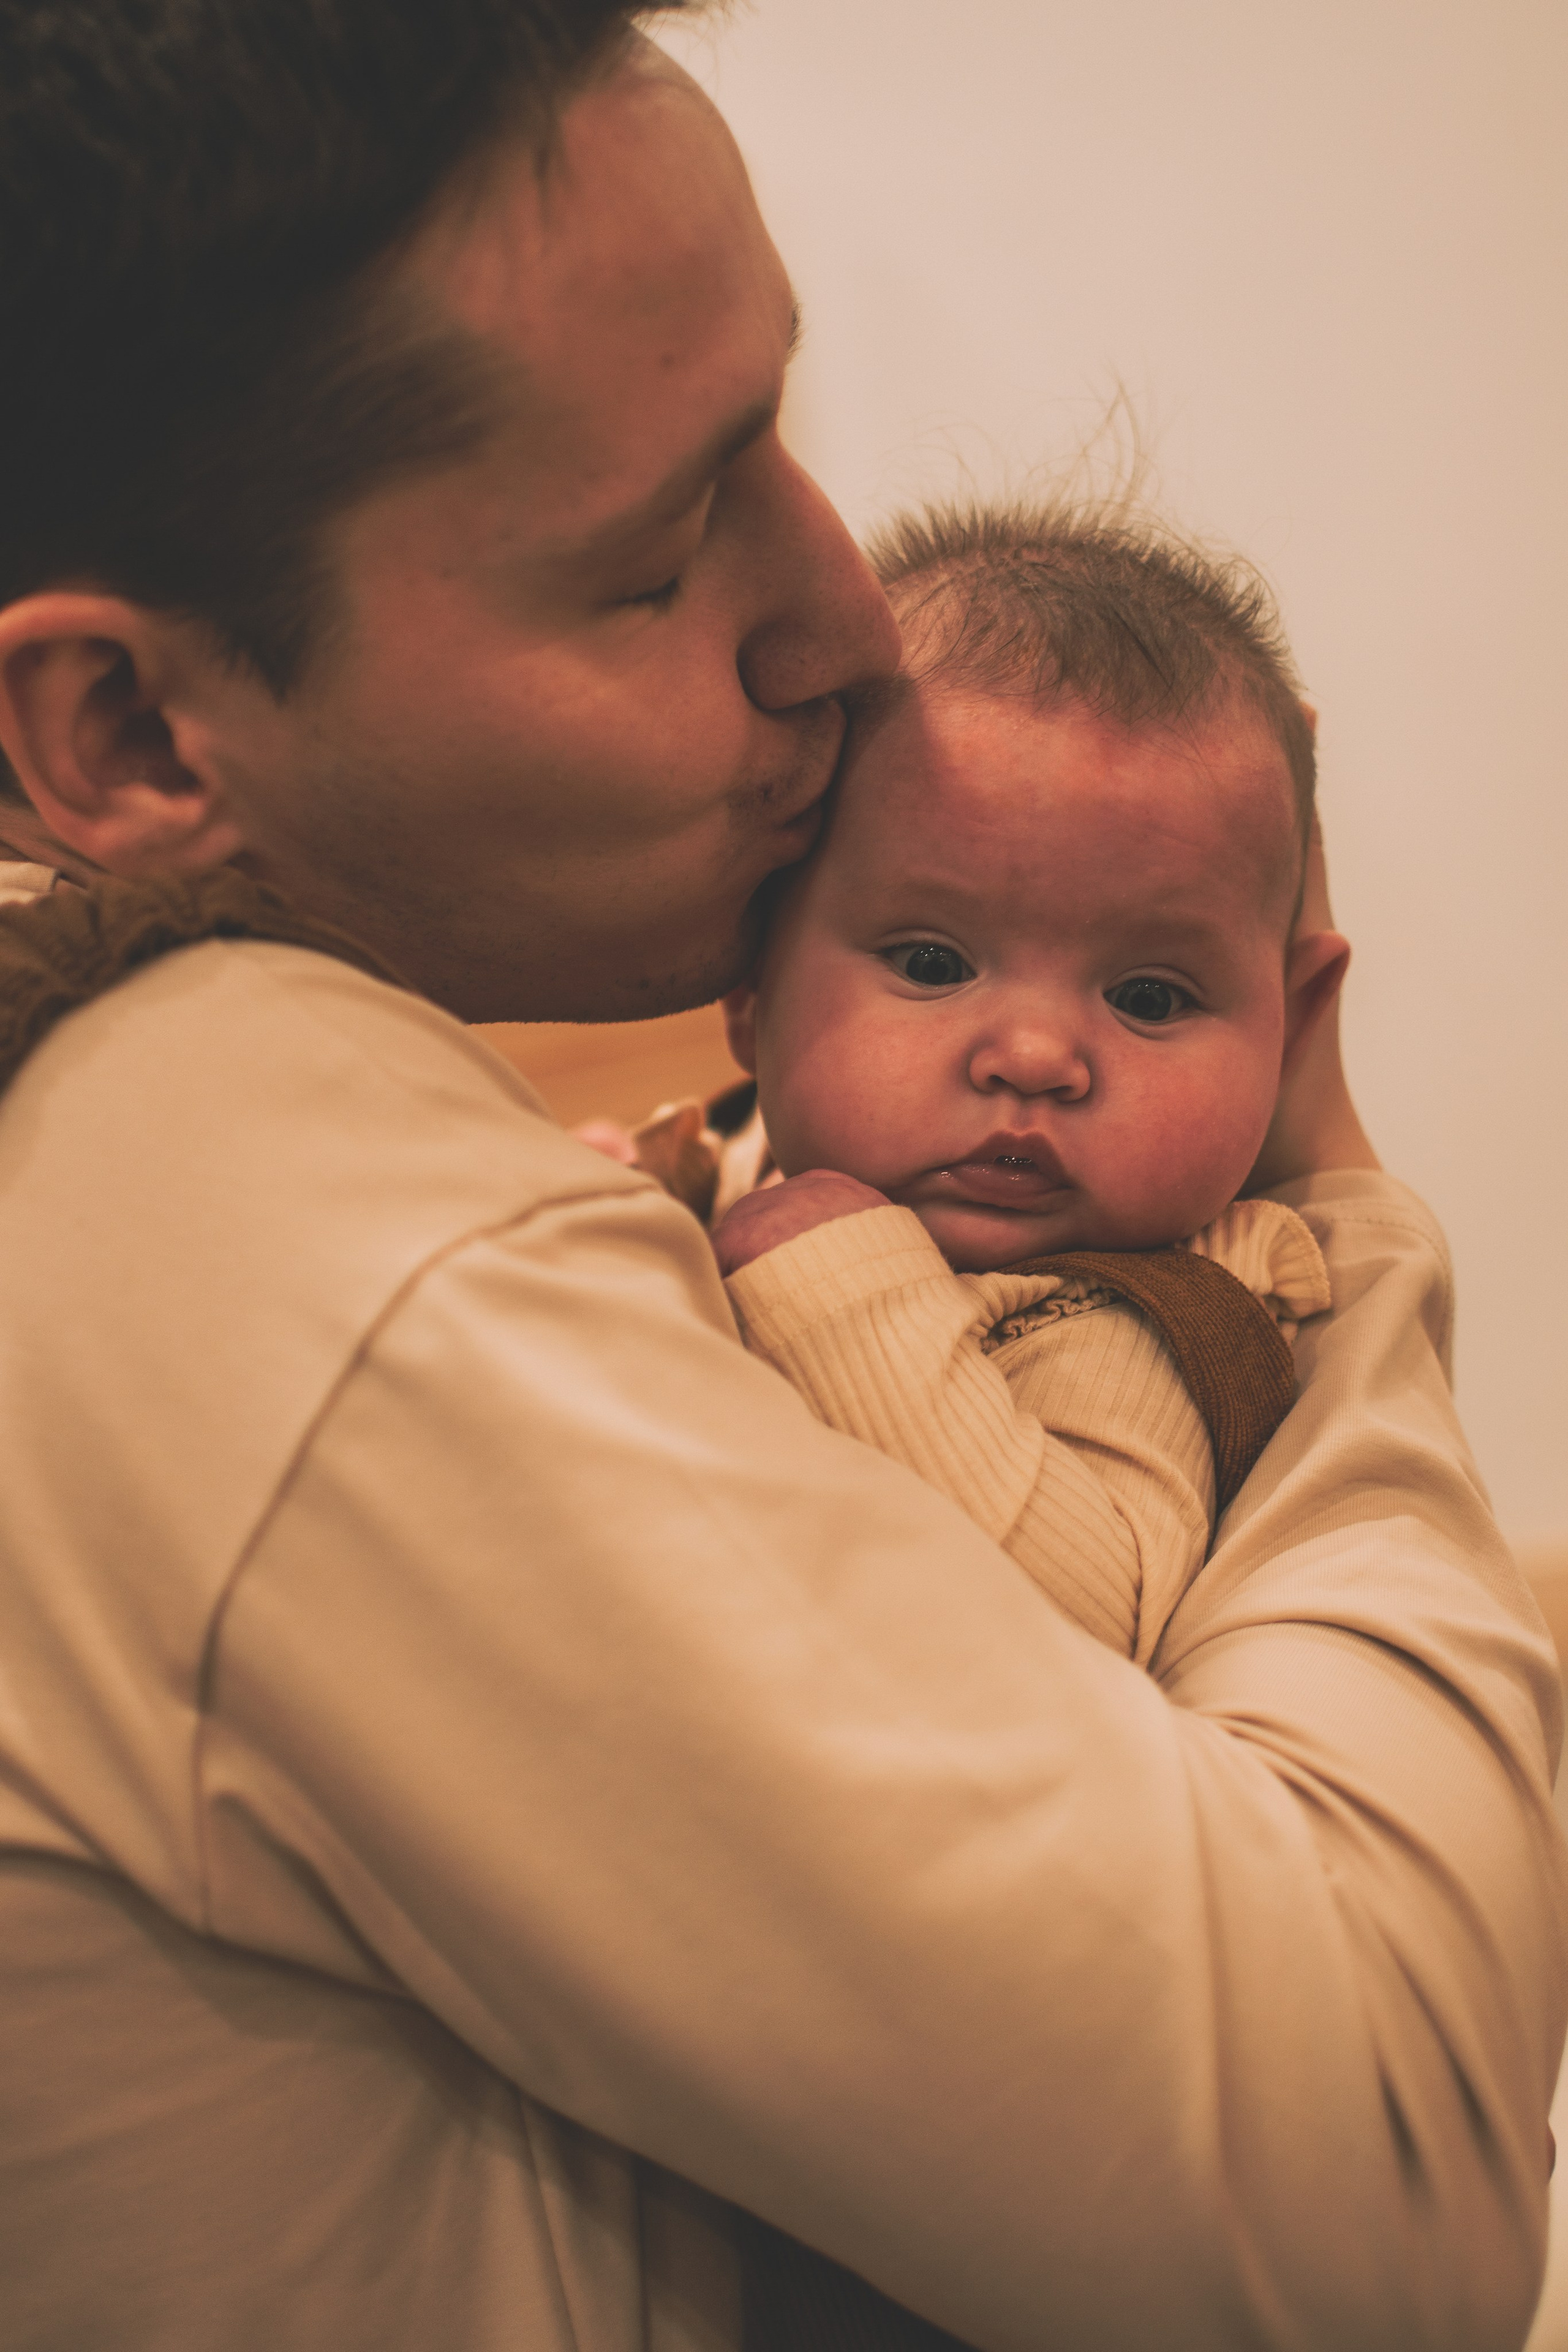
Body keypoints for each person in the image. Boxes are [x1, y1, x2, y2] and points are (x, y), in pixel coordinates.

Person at [0, 7, 1561, 2350]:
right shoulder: (265, 1187)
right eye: (659, 558)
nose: (842, 625)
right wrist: (1326, 1241)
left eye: (778, 436)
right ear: (126, 733)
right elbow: (1382, 2209)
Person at [626, 499, 1345, 1663]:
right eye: (932, 964)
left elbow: (1073, 1621)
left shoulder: (1149, 1318)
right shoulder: (723, 1167)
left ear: (1294, 1025)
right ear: (748, 983)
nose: (1036, 1059)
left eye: (1150, 997)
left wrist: (837, 1277)